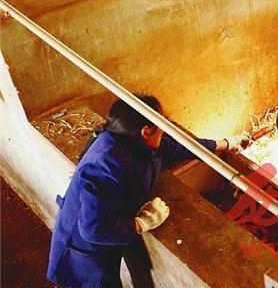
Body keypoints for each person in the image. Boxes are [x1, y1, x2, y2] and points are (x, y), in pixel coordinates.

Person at [47, 94, 252, 287]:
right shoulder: (105, 166)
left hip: (109, 231)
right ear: (146, 131)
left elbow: (175, 147)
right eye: (161, 126)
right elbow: (93, 229)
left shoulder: (131, 138)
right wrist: (140, 224)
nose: (164, 131)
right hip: (87, 249)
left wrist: (223, 144)